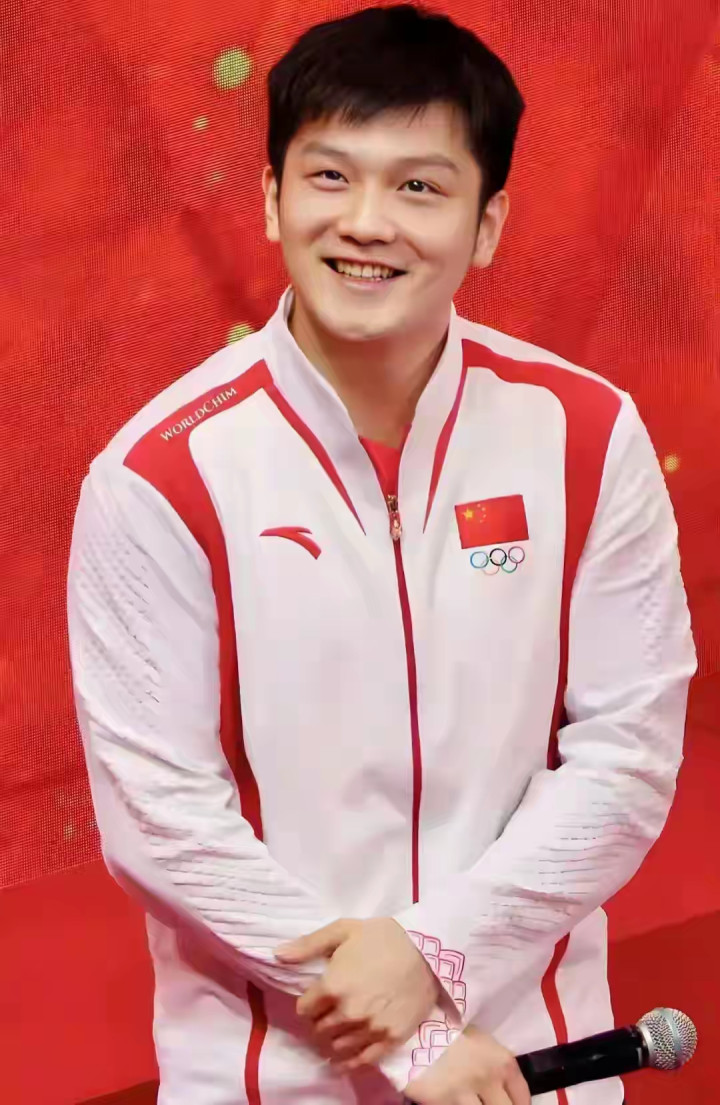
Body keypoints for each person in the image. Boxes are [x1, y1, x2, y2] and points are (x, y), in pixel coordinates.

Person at [66, 5, 696, 1104]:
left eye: (419, 187)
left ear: (487, 223)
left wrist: (437, 949)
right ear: (272, 196)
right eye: (329, 176)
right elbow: (162, 819)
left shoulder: (586, 433)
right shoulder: (159, 472)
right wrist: (412, 1039)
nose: (366, 223)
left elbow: (627, 756)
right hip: (265, 1073)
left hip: (533, 1057)